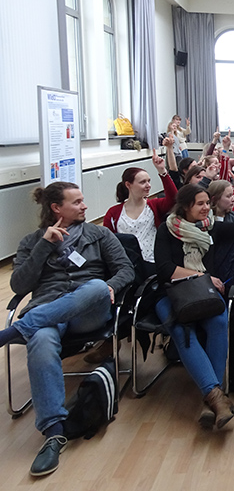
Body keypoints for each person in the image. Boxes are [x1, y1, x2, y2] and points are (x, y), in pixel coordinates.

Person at [2, 182, 134, 476]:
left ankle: (14, 332)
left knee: (97, 286)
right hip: (49, 312)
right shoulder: (31, 242)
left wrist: (111, 287)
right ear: (55, 208)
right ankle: (53, 433)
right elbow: (19, 286)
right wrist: (44, 246)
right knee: (41, 340)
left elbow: (126, 269)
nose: (85, 206)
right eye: (77, 202)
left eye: (83, 201)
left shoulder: (98, 234)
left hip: (89, 310)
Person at [154, 178, 234, 429]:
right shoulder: (166, 229)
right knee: (182, 330)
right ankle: (215, 395)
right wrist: (202, 276)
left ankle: (212, 398)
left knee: (219, 321)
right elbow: (165, 269)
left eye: (207, 203)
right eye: (199, 204)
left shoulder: (210, 227)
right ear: (185, 206)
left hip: (205, 293)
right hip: (172, 293)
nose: (205, 208)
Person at [103, 149, 177, 269]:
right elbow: (107, 240)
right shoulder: (114, 212)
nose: (148, 185)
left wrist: (162, 171)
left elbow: (174, 198)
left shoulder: (153, 205)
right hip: (126, 264)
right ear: (128, 185)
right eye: (143, 182)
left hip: (152, 261)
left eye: (149, 181)